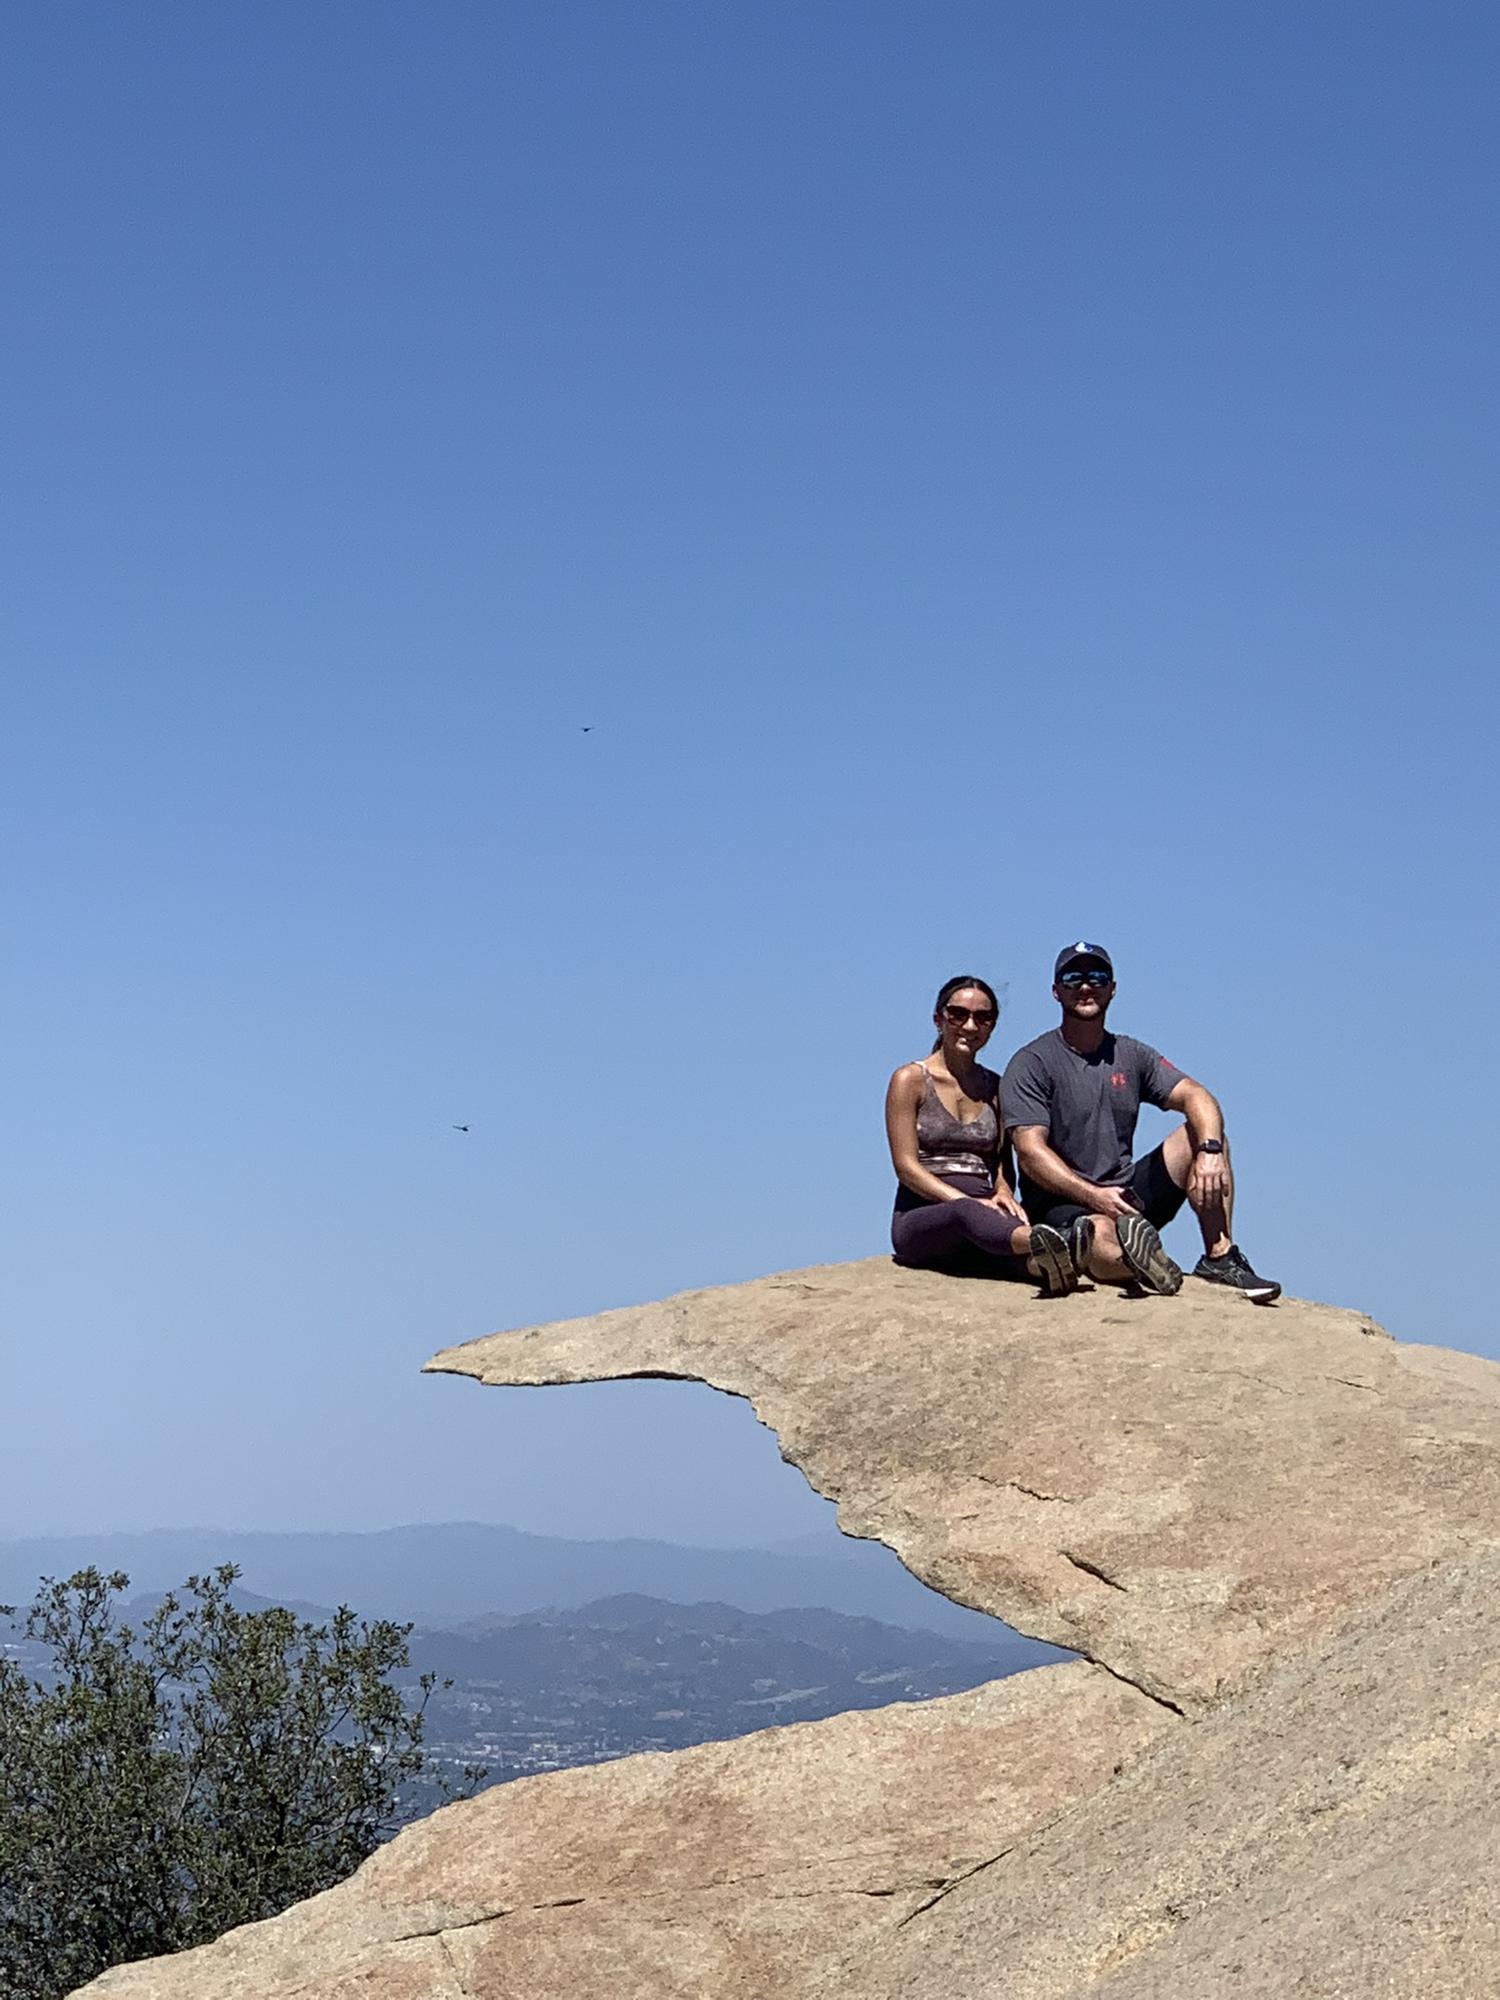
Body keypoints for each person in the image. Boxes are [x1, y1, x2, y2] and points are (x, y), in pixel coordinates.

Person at [1000, 942, 1281, 1302]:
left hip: (1127, 1195)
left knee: (1205, 1134)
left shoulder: (1130, 1054)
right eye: (1073, 979)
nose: (1086, 987)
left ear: (1112, 989)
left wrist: (1210, 1150)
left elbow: (1197, 1095)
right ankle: (1137, 1263)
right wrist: (1094, 1197)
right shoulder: (1032, 1062)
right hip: (1064, 1201)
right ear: (1056, 991)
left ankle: (1219, 1257)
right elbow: (1030, 1152)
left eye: (1097, 977)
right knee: (1097, 1233)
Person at [886, 975, 1078, 1295]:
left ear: (992, 1026)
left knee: (1015, 1261)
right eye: (958, 1014)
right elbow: (906, 1167)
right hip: (923, 1217)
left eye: (983, 1017)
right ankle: (1050, 1241)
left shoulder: (996, 1088)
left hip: (985, 1217)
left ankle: (1048, 1263)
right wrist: (967, 1203)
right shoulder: (910, 1080)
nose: (970, 1026)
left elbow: (1003, 1161)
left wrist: (1003, 1191)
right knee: (967, 1215)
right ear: (939, 1019)